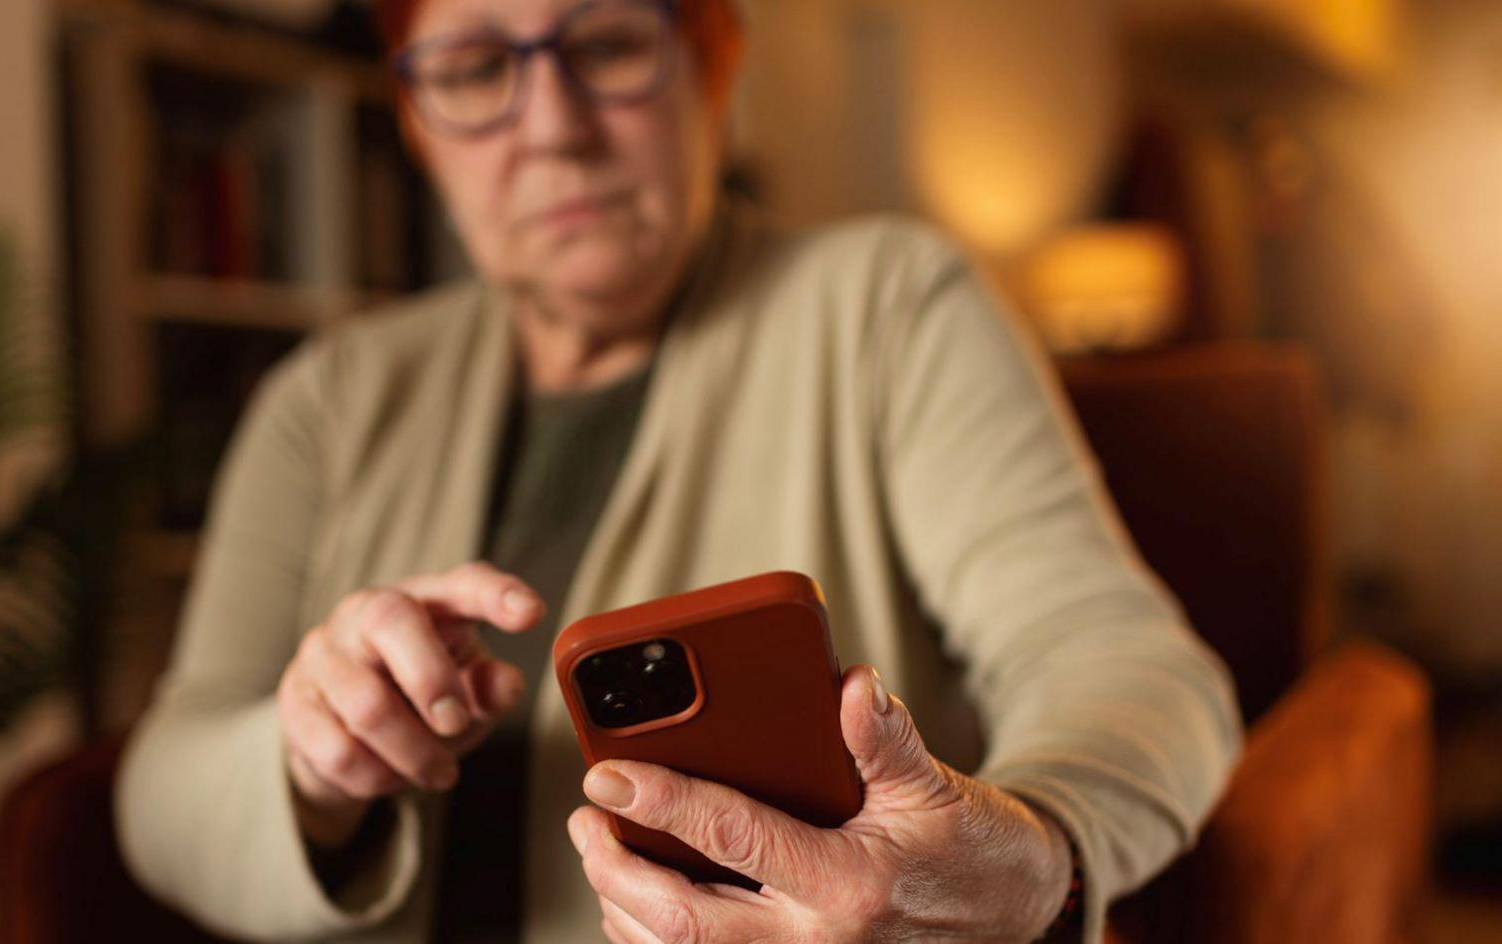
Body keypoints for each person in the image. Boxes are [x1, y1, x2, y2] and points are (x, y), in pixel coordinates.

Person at [116, 0, 1242, 941]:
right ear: (415, 121)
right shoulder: (326, 399)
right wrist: (309, 761)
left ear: (713, 63)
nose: (553, 127)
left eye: (605, 44)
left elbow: (1129, 666)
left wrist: (1029, 860)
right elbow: (161, 785)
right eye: (474, 67)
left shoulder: (890, 307)